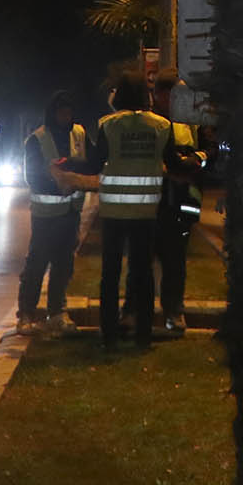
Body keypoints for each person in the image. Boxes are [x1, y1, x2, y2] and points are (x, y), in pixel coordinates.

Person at [89, 75, 175, 350]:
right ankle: (143, 336)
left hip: (113, 212)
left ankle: (109, 335)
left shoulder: (108, 125)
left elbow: (93, 163)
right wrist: (199, 160)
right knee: (143, 274)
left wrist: (67, 167)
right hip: (145, 212)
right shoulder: (162, 126)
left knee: (110, 273)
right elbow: (172, 162)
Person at [15, 90, 88, 336]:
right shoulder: (37, 139)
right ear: (52, 113)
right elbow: (33, 177)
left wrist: (76, 178)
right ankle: (26, 313)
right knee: (37, 264)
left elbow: (90, 163)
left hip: (70, 213)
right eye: (61, 112)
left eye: (69, 111)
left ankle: (56, 312)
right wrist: (60, 183)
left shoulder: (79, 134)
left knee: (63, 264)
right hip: (46, 214)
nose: (66, 116)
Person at [147, 70, 207, 338]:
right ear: (159, 95)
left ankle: (174, 311)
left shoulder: (190, 121)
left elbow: (209, 153)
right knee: (144, 261)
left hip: (183, 202)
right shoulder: (147, 121)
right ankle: (141, 312)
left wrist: (196, 161)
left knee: (176, 262)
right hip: (152, 203)